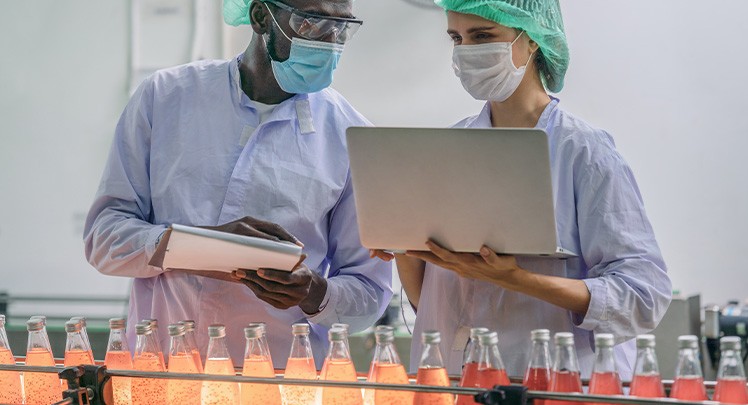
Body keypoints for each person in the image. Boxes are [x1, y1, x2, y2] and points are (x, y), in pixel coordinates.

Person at [84, 0, 392, 368]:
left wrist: (313, 291)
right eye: (311, 23)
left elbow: (370, 290)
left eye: (342, 28)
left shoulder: (349, 136)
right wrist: (198, 246)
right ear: (261, 16)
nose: (330, 40)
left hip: (276, 376)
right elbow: (104, 239)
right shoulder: (166, 97)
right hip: (162, 367)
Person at [373, 0, 671, 379]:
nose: (466, 52)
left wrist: (515, 279)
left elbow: (644, 297)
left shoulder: (584, 153)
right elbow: (432, 302)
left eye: (483, 36)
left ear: (532, 40)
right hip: (454, 381)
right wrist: (404, 244)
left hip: (556, 382)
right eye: (456, 38)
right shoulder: (444, 150)